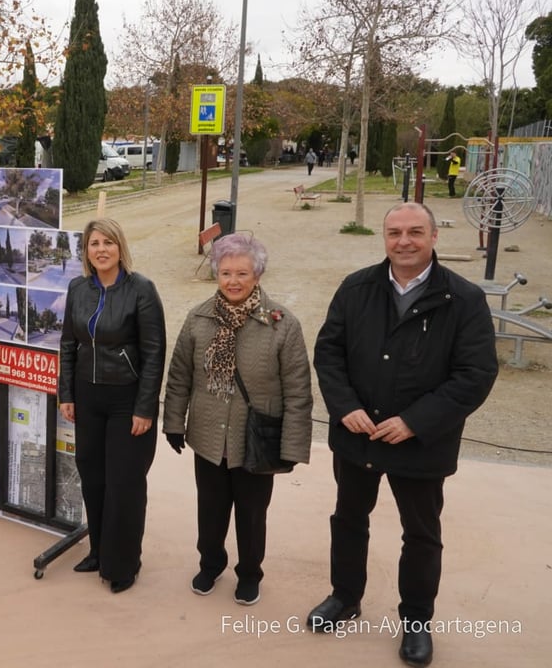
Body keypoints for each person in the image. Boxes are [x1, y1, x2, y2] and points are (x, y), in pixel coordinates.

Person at [306, 203, 498, 667]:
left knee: (421, 533)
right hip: (359, 436)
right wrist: (346, 406)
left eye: (415, 232)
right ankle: (344, 597)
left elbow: (475, 373)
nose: (404, 241)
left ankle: (416, 621)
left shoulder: (464, 299)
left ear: (434, 236)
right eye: (394, 232)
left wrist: (416, 421)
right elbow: (329, 353)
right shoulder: (356, 289)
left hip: (422, 443)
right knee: (349, 519)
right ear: (384, 237)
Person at [162, 234, 313, 606]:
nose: (233, 281)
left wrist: (292, 445)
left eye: (242, 273)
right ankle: (210, 563)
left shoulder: (282, 324)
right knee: (210, 509)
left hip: (256, 440)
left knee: (251, 513)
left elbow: (298, 390)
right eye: (226, 272)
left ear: (257, 275)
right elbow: (180, 375)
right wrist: (173, 422)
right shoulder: (199, 319)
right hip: (209, 434)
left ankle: (250, 573)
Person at [58, 218, 166, 593]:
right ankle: (99, 552)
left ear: (120, 247)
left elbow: (154, 354)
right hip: (88, 398)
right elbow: (68, 344)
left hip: (127, 400)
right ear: (85, 251)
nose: (100, 249)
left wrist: (145, 407)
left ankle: (123, 565)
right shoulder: (78, 288)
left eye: (107, 242)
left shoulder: (141, 290)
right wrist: (67, 394)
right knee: (94, 477)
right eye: (93, 243)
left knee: (125, 484)